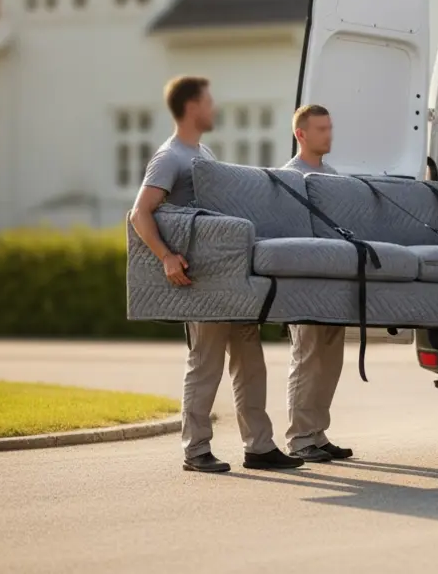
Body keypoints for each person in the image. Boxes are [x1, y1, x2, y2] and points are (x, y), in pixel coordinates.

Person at [129, 76, 304, 474]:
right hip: (200, 281)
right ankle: (195, 450)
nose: (215, 108)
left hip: (228, 276)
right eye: (209, 102)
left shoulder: (202, 152)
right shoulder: (169, 157)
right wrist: (166, 257)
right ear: (192, 107)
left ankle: (259, 446)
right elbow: (140, 213)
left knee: (250, 362)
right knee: (205, 364)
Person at [281, 104, 353, 462]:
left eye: (329, 128)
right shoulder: (287, 177)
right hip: (304, 283)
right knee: (307, 358)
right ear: (301, 134)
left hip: (333, 281)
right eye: (321, 129)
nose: (329, 135)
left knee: (330, 360)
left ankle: (318, 434)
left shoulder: (333, 177)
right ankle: (299, 439)